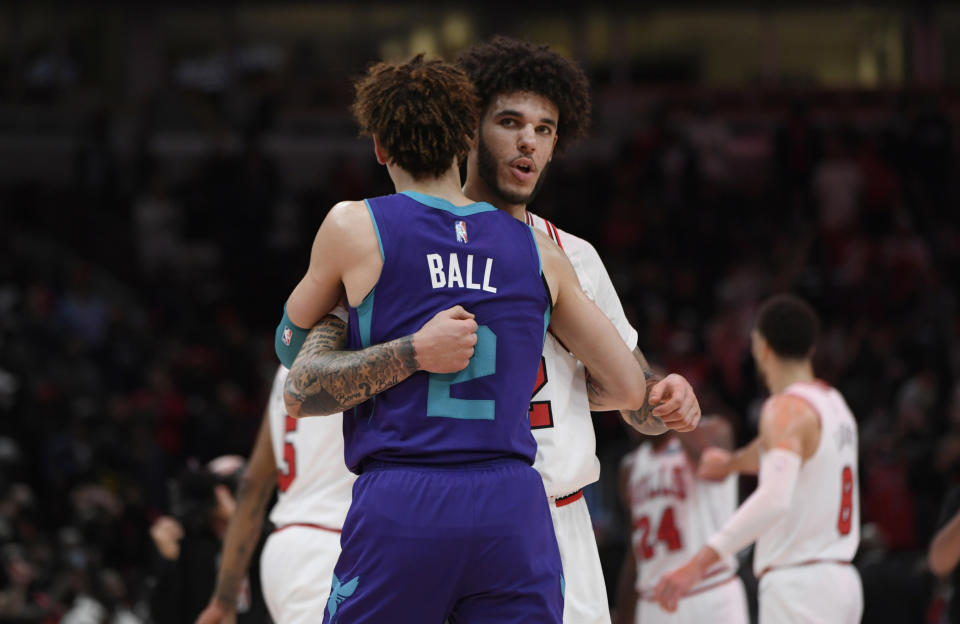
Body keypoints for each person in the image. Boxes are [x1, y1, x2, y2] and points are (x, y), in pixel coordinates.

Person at [282, 37, 702, 624]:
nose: (529, 140)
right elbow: (623, 385)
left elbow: (640, 398)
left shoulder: (368, 233)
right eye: (510, 122)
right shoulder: (538, 254)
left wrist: (664, 398)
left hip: (492, 505)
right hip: (511, 508)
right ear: (469, 132)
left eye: (546, 129)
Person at [653, 294, 862, 623]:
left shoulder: (784, 408)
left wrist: (700, 564)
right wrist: (732, 463)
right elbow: (778, 450)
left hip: (799, 587)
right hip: (843, 582)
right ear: (810, 349)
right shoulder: (834, 404)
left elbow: (774, 498)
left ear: (761, 347)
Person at [194, 359, 356, 623]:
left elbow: (253, 484)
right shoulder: (360, 342)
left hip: (286, 547)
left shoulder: (286, 367)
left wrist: (224, 598)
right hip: (325, 547)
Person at [613, 418, 749, 624]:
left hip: (709, 588)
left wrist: (674, 411)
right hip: (653, 600)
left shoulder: (712, 431)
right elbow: (635, 552)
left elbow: (704, 460)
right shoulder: (630, 467)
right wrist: (623, 615)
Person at [149, 456, 270, 624]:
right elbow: (164, 616)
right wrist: (168, 562)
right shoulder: (190, 545)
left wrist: (240, 521)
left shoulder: (266, 537)